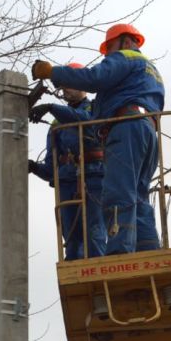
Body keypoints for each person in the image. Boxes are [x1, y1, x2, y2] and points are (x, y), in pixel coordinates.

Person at [31, 24, 165, 255]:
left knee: (119, 193)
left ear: (125, 41)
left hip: (126, 128)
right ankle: (148, 252)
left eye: (110, 47)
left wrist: (52, 72)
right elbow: (93, 117)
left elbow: (94, 77)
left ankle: (119, 255)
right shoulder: (149, 72)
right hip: (147, 130)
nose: (108, 54)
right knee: (139, 197)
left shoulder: (126, 57)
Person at [28, 64, 106, 259]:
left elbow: (88, 125)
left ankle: (98, 274)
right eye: (63, 87)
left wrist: (53, 108)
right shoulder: (56, 124)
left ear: (83, 86)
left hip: (94, 178)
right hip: (66, 182)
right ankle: (78, 276)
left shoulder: (96, 108)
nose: (65, 90)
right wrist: (34, 167)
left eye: (70, 85)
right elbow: (51, 167)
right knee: (71, 236)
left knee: (94, 232)